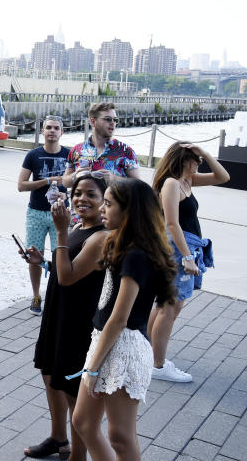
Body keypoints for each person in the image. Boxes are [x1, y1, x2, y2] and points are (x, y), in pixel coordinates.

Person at [67, 178, 176, 461]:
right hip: (105, 341)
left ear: (129, 212)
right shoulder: (121, 243)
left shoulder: (137, 256)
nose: (102, 209)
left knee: (121, 436)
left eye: (108, 203)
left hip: (123, 347)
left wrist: (91, 369)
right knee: (83, 422)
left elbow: (118, 318)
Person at [19, 172, 108, 461]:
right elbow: (65, 265)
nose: (82, 198)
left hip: (77, 321)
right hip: (57, 313)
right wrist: (42, 261)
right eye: (78, 193)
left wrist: (60, 231)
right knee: (50, 375)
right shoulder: (79, 227)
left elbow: (69, 277)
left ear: (104, 202)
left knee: (72, 389)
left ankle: (77, 456)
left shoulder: (102, 236)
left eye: (91, 195)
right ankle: (59, 438)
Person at [147, 142, 229, 383]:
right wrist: (187, 257)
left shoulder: (187, 181)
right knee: (170, 307)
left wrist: (204, 152)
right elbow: (172, 223)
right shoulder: (172, 183)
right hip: (176, 250)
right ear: (184, 159)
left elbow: (223, 177)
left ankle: (148, 353)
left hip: (184, 247)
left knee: (167, 305)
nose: (198, 164)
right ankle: (158, 365)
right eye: (196, 159)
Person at [17, 115, 70, 315]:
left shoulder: (70, 154)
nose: (52, 131)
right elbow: (21, 185)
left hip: (61, 213)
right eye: (48, 127)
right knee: (33, 254)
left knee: (61, 255)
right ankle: (36, 295)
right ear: (42, 131)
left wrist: (67, 193)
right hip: (36, 213)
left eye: (56, 128)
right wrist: (47, 181)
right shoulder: (33, 155)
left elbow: (77, 183)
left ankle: (57, 295)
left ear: (62, 132)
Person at [62, 102, 140, 188]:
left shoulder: (125, 151)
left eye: (115, 120)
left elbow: (138, 185)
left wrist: (114, 179)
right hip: (83, 201)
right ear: (93, 122)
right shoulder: (76, 150)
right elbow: (65, 182)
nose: (113, 123)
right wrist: (75, 176)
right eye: (108, 119)